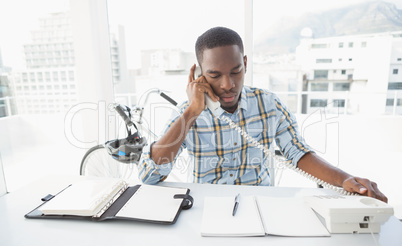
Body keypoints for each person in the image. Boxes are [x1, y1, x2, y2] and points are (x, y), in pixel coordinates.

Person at [138, 26, 387, 202]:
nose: (228, 84)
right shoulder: (188, 112)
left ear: (245, 63)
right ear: (199, 75)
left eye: (236, 71)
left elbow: (298, 153)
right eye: (215, 75)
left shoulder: (269, 103)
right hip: (206, 208)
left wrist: (345, 179)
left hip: (262, 206)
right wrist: (192, 111)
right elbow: (149, 176)